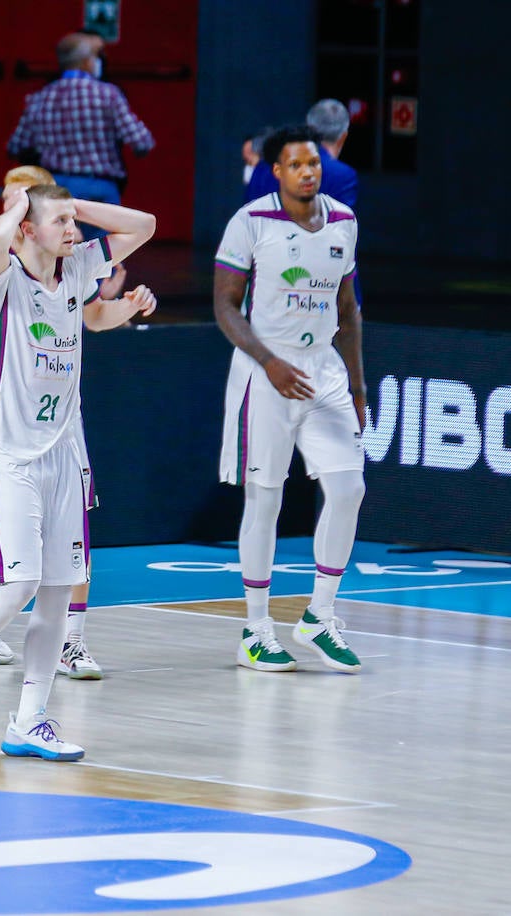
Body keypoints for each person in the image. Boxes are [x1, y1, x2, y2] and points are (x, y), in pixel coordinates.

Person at [0, 182, 155, 759]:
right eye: (62, 223)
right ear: (27, 227)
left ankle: (30, 720)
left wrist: (73, 207)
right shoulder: (1, 276)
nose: (74, 232)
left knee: (55, 593)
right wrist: (25, 205)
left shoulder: (76, 269)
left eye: (74, 223)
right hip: (11, 451)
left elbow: (143, 225)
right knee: (20, 580)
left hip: (65, 452)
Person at [214, 124, 365, 675]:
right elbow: (226, 307)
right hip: (265, 368)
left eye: (315, 163)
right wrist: (269, 361)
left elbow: (348, 311)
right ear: (276, 171)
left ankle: (319, 614)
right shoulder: (250, 221)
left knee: (349, 487)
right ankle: (256, 630)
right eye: (297, 164)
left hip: (323, 371)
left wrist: (356, 383)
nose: (309, 171)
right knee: (265, 498)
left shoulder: (343, 221)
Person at [5, 32, 154, 234]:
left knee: (60, 257)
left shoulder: (40, 97)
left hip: (55, 189)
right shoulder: (108, 94)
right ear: (86, 61)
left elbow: (16, 145)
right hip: (100, 187)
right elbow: (141, 141)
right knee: (106, 256)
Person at [246, 100, 357, 208]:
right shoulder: (343, 176)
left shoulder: (264, 165)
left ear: (308, 125)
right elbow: (342, 224)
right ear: (343, 137)